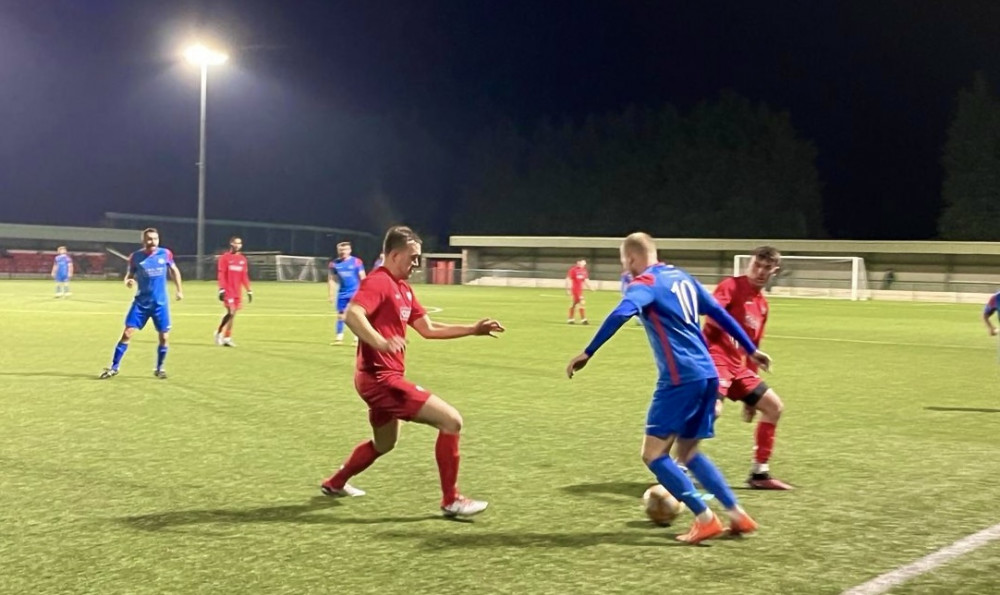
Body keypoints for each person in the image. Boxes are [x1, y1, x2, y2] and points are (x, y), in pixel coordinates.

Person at [566, 232, 769, 544]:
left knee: (653, 454)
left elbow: (622, 312)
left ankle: (705, 518)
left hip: (680, 377)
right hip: (708, 374)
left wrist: (588, 351)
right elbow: (719, 313)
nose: (627, 268)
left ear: (632, 258)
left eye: (625, 262)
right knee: (688, 452)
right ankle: (736, 514)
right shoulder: (683, 278)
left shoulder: (645, 283)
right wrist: (750, 349)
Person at [320, 225, 505, 517]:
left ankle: (335, 482)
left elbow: (428, 329)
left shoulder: (403, 289)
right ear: (394, 255)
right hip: (381, 379)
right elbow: (353, 314)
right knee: (451, 421)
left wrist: (472, 329)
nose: (417, 264)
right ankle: (451, 499)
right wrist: (381, 342)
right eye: (413, 257)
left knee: (385, 443)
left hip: (377, 379)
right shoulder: (379, 282)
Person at [704, 246, 793, 490]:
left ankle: (759, 474)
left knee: (774, 407)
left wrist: (750, 400)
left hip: (738, 367)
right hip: (715, 358)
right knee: (714, 410)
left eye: (767, 268)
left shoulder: (763, 306)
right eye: (757, 265)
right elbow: (712, 316)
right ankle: (677, 466)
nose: (760, 271)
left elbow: (753, 349)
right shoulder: (731, 286)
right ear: (749, 264)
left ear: (774, 272)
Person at [100, 228, 183, 379]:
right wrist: (129, 280)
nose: (152, 242)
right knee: (127, 333)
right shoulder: (136, 257)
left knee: (164, 337)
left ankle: (159, 368)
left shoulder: (165, 254)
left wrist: (179, 290)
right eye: (149, 239)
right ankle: (114, 367)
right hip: (141, 304)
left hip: (160, 304)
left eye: (155, 239)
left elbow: (174, 270)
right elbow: (130, 274)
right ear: (144, 241)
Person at [215, 236, 253, 347]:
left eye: (239, 243)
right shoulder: (224, 258)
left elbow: (244, 276)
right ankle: (218, 333)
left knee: (232, 315)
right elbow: (221, 274)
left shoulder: (242, 259)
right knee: (231, 312)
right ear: (231, 243)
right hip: (228, 290)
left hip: (237, 291)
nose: (238, 245)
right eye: (236, 243)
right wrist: (221, 288)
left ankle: (227, 337)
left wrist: (249, 290)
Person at [329, 242, 366, 345]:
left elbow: (362, 277)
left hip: (355, 293)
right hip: (342, 294)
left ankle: (357, 338)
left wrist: (365, 291)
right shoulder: (334, 264)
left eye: (345, 250)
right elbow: (332, 279)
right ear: (338, 251)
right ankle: (339, 338)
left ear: (350, 250)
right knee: (341, 315)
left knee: (356, 315)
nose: (343, 252)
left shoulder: (356, 262)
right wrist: (331, 294)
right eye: (341, 250)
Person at [566, 258, 593, 324]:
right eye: (583, 262)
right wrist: (568, 289)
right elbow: (568, 279)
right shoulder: (573, 270)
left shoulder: (584, 270)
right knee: (582, 302)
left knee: (574, 304)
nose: (584, 264)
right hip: (575, 290)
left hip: (580, 290)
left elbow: (586, 280)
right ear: (578, 262)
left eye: (585, 263)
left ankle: (570, 319)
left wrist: (590, 287)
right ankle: (583, 320)